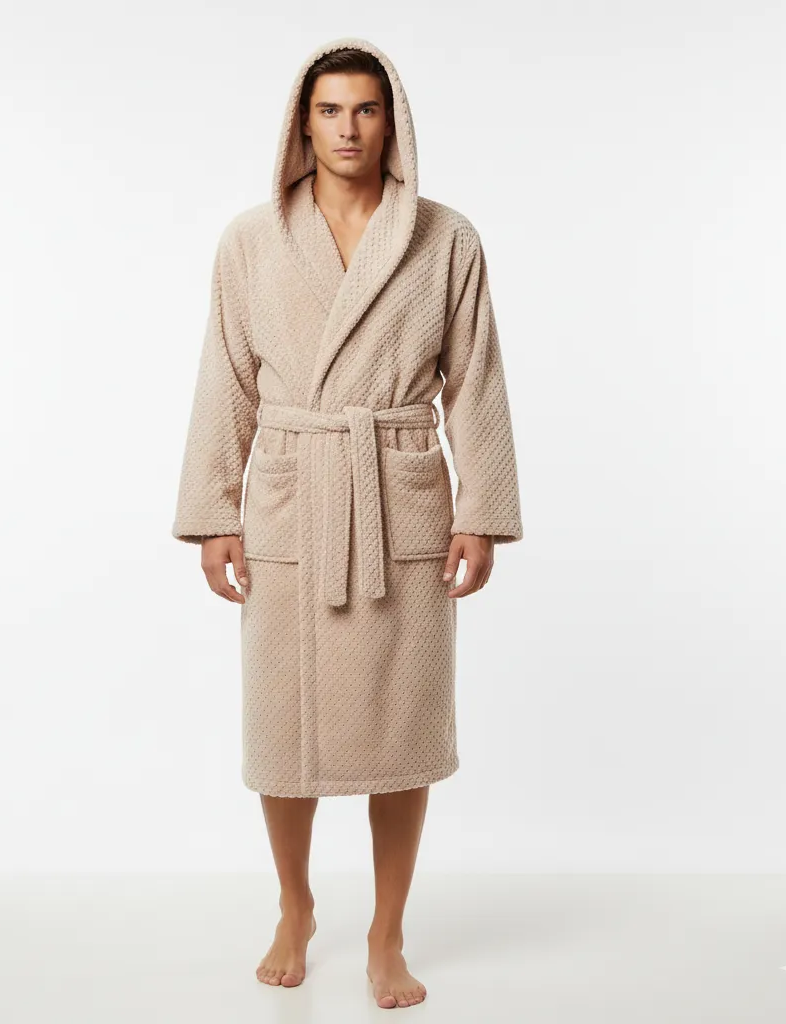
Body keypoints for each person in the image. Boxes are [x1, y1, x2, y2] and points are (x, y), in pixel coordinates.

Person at [171, 37, 523, 1009]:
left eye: (366, 109)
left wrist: (482, 510)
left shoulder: (445, 238)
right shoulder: (252, 240)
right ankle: (295, 905)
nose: (349, 129)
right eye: (330, 110)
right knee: (282, 725)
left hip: (397, 499)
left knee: (400, 722)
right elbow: (226, 377)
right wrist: (214, 511)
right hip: (293, 496)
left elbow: (475, 377)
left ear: (391, 120)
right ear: (303, 122)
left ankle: (386, 929)